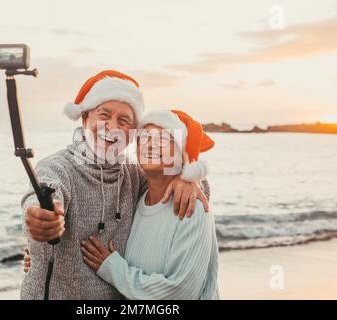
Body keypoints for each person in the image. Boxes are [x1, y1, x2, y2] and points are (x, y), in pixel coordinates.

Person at [21, 70, 211, 299]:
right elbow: (43, 191)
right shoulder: (58, 166)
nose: (112, 128)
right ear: (85, 118)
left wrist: (187, 179)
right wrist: (40, 215)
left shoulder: (133, 173)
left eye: (124, 121)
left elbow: (172, 183)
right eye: (104, 115)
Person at [79, 110, 219, 299]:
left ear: (181, 152)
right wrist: (43, 253)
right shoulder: (135, 199)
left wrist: (114, 270)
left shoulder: (192, 209)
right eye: (143, 138)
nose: (150, 146)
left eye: (163, 139)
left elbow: (180, 292)